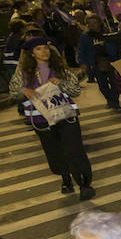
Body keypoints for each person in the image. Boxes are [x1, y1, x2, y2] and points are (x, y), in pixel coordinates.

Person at [8, 36, 95, 198]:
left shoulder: (61, 69)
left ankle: (84, 183)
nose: (44, 51)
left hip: (66, 117)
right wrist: (23, 91)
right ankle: (65, 178)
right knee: (54, 152)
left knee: (74, 150)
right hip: (42, 121)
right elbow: (13, 91)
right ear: (32, 54)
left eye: (46, 48)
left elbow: (75, 91)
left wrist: (61, 83)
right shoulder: (23, 73)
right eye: (39, 49)